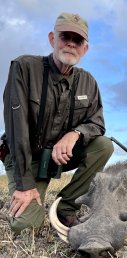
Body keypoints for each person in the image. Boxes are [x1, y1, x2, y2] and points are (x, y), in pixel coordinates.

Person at [2, 12, 114, 234]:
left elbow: (97, 122)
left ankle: (66, 206)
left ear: (85, 48)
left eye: (78, 40)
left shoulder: (88, 82)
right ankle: (22, 194)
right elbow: (17, 130)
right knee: (26, 226)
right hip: (26, 159)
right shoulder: (24, 67)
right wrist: (25, 185)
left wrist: (75, 134)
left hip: (57, 158)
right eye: (65, 37)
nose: (71, 44)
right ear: (52, 39)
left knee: (104, 145)